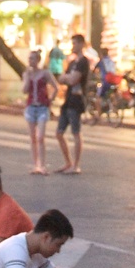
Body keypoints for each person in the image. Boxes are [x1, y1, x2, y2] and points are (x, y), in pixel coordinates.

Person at [55, 35, 91, 174]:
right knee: (59, 133)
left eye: (75, 43)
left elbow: (73, 79)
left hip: (77, 100)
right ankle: (68, 162)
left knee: (76, 132)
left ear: (82, 44)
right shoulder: (72, 62)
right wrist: (67, 78)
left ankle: (76, 165)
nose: (73, 46)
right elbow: (62, 78)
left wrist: (68, 78)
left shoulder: (83, 62)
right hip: (68, 99)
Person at [21, 49, 54, 174]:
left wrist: (50, 100)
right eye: (29, 59)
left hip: (42, 107)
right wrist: (27, 78)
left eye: (33, 59)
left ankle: (43, 165)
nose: (31, 61)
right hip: (31, 107)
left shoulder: (45, 73)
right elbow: (24, 90)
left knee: (40, 137)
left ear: (38, 60)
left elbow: (55, 87)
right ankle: (36, 165)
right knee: (33, 138)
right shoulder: (27, 74)